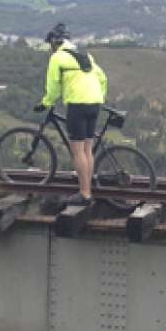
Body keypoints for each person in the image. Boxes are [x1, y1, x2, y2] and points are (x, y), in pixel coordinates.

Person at [37, 23, 108, 205]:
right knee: (87, 149)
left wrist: (46, 103)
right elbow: (102, 78)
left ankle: (84, 194)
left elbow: (53, 86)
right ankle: (88, 189)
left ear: (54, 42)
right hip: (94, 103)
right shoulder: (86, 55)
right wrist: (99, 96)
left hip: (78, 104)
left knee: (77, 152)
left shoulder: (58, 57)